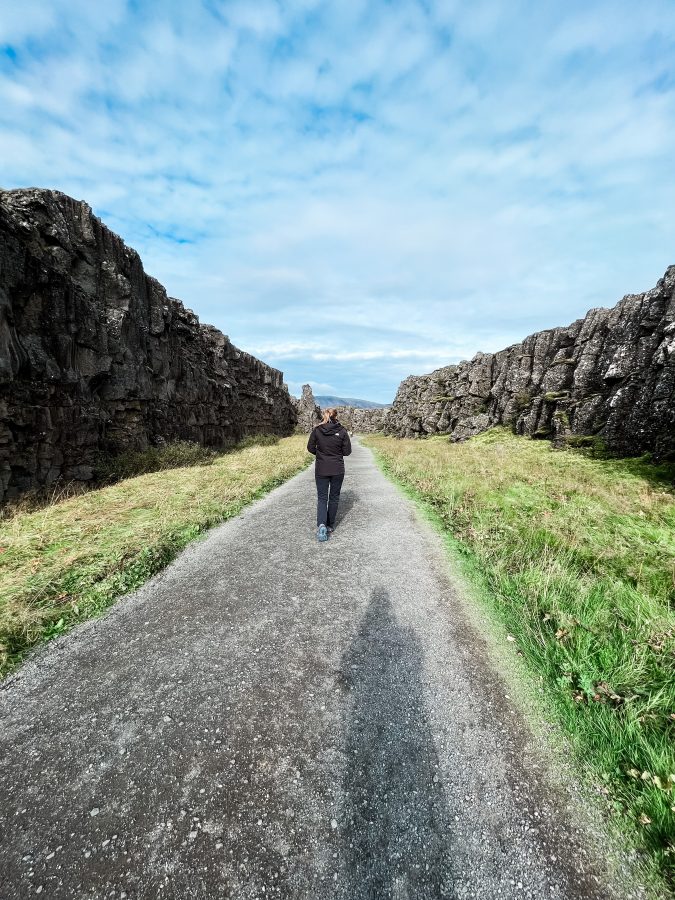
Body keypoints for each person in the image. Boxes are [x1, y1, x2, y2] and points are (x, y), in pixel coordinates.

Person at [307, 407, 352, 542]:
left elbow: (310, 447)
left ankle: (321, 524)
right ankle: (330, 525)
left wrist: (321, 455)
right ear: (336, 416)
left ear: (324, 416)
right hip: (337, 469)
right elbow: (347, 451)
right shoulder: (342, 431)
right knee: (334, 497)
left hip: (321, 468)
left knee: (322, 498)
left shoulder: (317, 430)